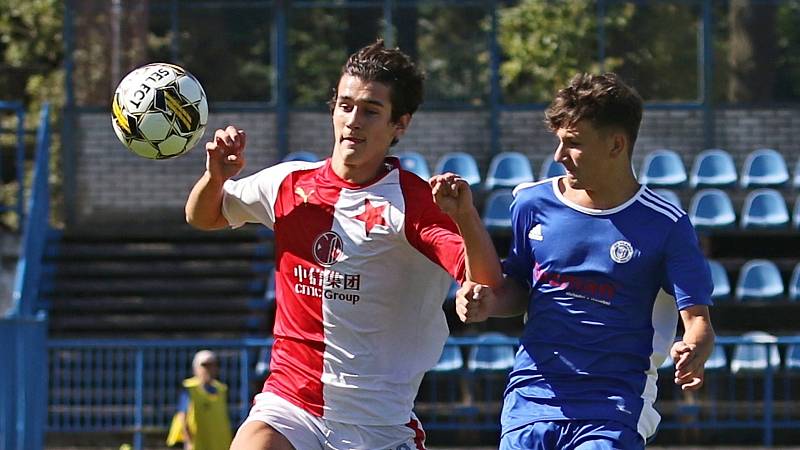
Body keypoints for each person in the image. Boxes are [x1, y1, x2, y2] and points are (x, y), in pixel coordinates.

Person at [185, 39, 502, 450]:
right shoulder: (287, 183)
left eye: (371, 111)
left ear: (399, 125)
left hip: (377, 424)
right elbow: (203, 216)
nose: (354, 120)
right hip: (290, 404)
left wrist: (466, 217)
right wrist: (216, 177)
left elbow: (482, 276)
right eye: (346, 105)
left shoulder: (415, 202)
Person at [456, 73, 715, 450]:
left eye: (573, 144)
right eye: (559, 142)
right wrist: (488, 302)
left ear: (616, 144)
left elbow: (700, 324)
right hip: (532, 396)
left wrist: (693, 349)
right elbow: (520, 290)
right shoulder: (531, 204)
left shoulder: (666, 223)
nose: (559, 156)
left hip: (614, 405)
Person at [166, 350, 233, 450]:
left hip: (220, 442)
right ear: (195, 368)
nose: (209, 369)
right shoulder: (189, 388)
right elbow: (182, 416)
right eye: (204, 365)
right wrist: (188, 439)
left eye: (212, 365)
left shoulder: (222, 389)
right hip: (198, 442)